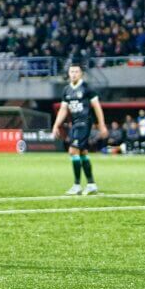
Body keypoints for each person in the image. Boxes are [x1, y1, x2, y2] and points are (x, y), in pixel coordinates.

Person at [52, 63, 108, 195]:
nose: (73, 74)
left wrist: (102, 125)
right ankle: (91, 184)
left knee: (73, 150)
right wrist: (56, 125)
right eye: (71, 71)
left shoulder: (87, 88)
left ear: (81, 73)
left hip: (85, 123)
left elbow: (97, 107)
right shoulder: (66, 90)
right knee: (82, 153)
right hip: (75, 123)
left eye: (76, 71)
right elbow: (63, 109)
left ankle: (77, 185)